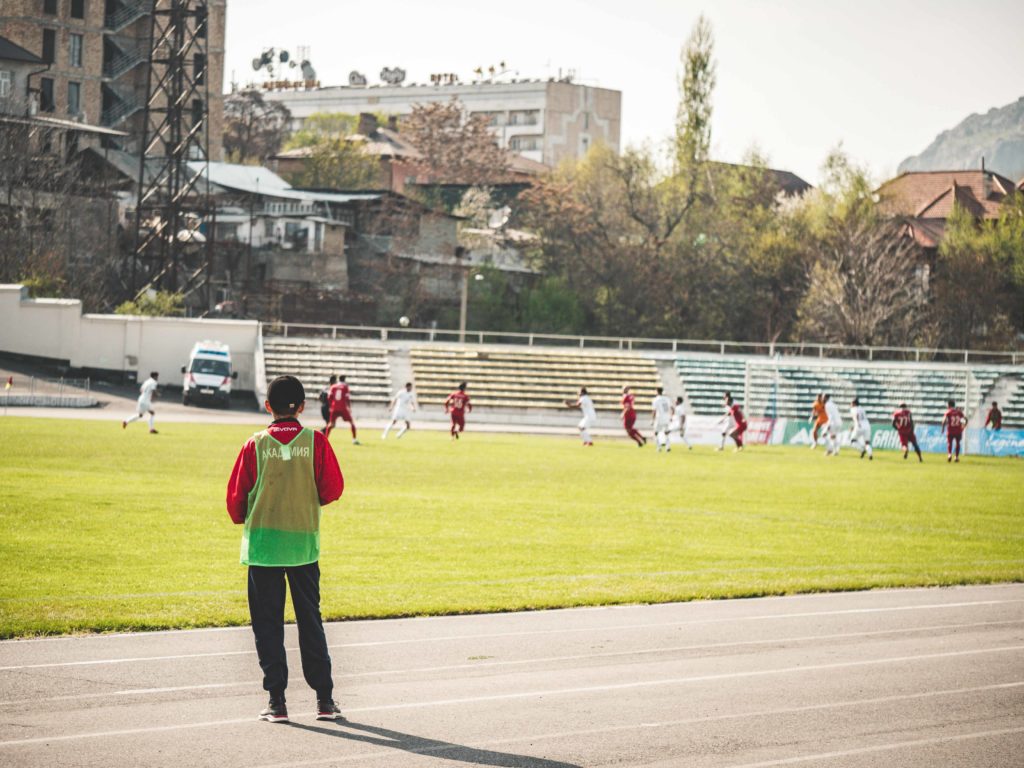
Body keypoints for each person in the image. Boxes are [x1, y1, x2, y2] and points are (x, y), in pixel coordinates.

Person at [225, 375, 345, 724]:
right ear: (303, 406)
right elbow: (333, 488)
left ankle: (277, 701)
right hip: (303, 545)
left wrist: (248, 515)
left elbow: (236, 499)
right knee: (310, 620)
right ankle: (324, 699)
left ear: (268, 406)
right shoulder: (316, 442)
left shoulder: (255, 444)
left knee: (267, 623)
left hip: (263, 547)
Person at [324, 375, 359, 445]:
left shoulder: (333, 386)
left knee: (331, 424)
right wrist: (349, 407)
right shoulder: (345, 387)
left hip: (334, 407)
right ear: (344, 380)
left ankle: (325, 439)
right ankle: (354, 440)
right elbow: (347, 398)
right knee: (351, 423)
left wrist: (331, 405)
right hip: (343, 407)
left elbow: (329, 397)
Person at [941, 399, 968, 463]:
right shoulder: (959, 412)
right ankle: (956, 457)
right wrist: (963, 426)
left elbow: (944, 420)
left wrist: (942, 428)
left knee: (949, 443)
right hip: (958, 430)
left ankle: (949, 455)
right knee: (957, 443)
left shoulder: (948, 412)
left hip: (950, 430)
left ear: (949, 405)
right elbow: (965, 419)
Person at [650, 387, 673, 453]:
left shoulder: (655, 400)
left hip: (659, 418)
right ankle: (668, 447)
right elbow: (672, 409)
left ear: (657, 391)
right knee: (667, 433)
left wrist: (652, 420)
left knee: (656, 433)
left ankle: (659, 448)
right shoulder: (667, 399)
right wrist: (671, 417)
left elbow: (654, 411)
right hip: (667, 417)